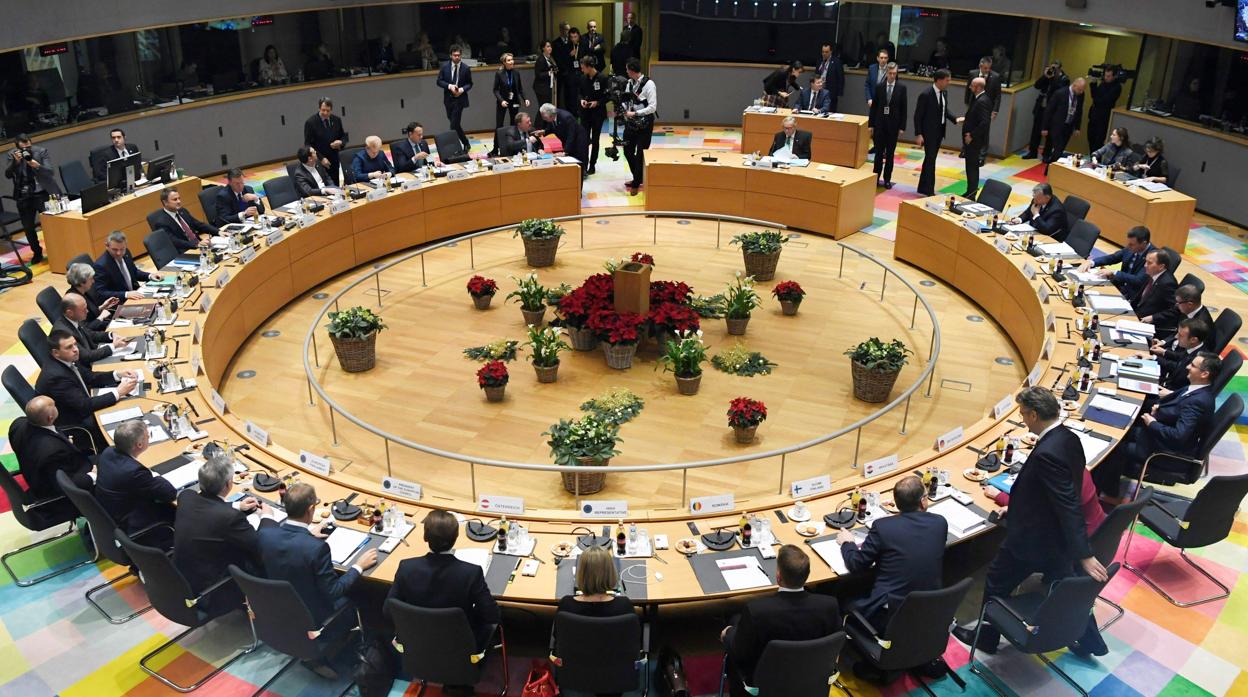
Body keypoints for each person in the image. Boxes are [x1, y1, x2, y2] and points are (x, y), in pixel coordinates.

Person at [953, 387, 1108, 657]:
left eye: (1024, 414)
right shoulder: (1068, 437)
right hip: (1055, 538)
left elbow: (1067, 503)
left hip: (1032, 541)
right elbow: (1046, 495)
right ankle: (1090, 640)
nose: (1023, 419)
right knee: (1066, 587)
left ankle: (987, 637)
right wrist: (1015, 509)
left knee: (997, 583)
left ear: (1035, 414)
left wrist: (1084, 554)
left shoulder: (1048, 452)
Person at [259, 483, 378, 678]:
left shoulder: (266, 534)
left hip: (275, 611)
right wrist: (359, 566)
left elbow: (286, 550)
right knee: (361, 598)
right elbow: (334, 591)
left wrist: (306, 535)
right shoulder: (316, 549)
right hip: (315, 619)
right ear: (311, 509)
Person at [387, 509, 501, 689]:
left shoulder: (407, 568)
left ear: (425, 537)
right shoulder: (471, 573)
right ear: (456, 537)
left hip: (418, 646)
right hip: (459, 650)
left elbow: (388, 610)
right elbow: (492, 615)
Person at [1091, 353, 1219, 498]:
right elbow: (1177, 404)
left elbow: (1179, 435)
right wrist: (1158, 409)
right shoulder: (1197, 388)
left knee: (1113, 448)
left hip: (1165, 452)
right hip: (1156, 436)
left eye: (1193, 366)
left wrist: (1152, 423)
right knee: (1116, 427)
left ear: (1204, 374)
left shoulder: (1199, 401)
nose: (1188, 367)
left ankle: (1103, 491)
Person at [720, 545, 841, 696]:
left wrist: (729, 632)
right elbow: (835, 645)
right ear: (807, 575)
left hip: (764, 684)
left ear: (778, 577)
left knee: (734, 620)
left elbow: (740, 652)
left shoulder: (757, 611)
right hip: (810, 680)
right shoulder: (829, 606)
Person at [174, 455, 279, 618]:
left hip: (183, 581)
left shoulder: (185, 497)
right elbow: (259, 544)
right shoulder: (229, 518)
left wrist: (237, 505)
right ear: (229, 484)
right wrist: (266, 516)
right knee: (270, 556)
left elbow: (209, 509)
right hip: (213, 591)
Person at [837, 476, 946, 629]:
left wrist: (847, 543)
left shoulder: (883, 527)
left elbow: (856, 564)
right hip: (928, 607)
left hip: (890, 615)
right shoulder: (940, 522)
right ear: (922, 501)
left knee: (839, 597)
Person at [553, 545, 635, 697]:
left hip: (575, 673)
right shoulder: (624, 606)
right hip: (616, 676)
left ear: (580, 574)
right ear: (611, 573)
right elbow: (633, 642)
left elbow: (558, 638)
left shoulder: (566, 605)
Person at [35, 330, 137, 447]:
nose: (75, 349)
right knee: (130, 427)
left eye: (75, 344)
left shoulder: (67, 358)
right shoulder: (55, 377)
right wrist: (118, 392)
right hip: (76, 422)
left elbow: (90, 377)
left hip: (82, 404)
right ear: (56, 352)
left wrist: (117, 374)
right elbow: (84, 405)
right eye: (69, 347)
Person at [95, 419, 176, 545]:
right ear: (139, 445)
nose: (149, 438)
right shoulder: (134, 472)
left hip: (115, 514)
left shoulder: (108, 452)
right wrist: (154, 474)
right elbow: (170, 493)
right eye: (148, 436)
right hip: (136, 524)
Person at [8, 396, 93, 505]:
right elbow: (65, 485)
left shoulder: (17, 424)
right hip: (59, 492)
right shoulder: (54, 451)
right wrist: (92, 476)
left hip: (34, 473)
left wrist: (64, 443)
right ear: (50, 417)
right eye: (54, 406)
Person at [5, 134, 60, 265]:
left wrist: (37, 165)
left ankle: (56, 250)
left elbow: (50, 172)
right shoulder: (12, 154)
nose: (26, 150)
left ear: (30, 142)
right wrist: (15, 162)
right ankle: (37, 252)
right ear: (17, 146)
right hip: (24, 195)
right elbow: (7, 174)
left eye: (28, 146)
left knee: (49, 224)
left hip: (42, 193)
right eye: (22, 147)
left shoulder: (41, 151)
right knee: (28, 227)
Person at [53, 292, 129, 368]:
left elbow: (90, 334)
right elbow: (86, 356)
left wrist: (111, 335)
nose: (87, 311)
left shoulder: (72, 319)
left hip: (94, 354)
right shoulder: (64, 333)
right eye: (84, 309)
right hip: (88, 368)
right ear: (70, 313)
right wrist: (114, 346)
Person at [913, 70, 955, 198]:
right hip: (929, 133)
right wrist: (919, 134)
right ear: (939, 80)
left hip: (939, 132)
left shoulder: (944, 93)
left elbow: (944, 110)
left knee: (930, 159)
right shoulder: (926, 94)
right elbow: (918, 116)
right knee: (931, 161)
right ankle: (929, 190)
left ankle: (923, 187)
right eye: (947, 80)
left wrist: (954, 119)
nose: (949, 82)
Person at [1081, 225, 1155, 293]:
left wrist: (1115, 272)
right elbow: (1113, 257)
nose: (1128, 247)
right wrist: (1092, 262)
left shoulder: (1153, 257)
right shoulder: (1130, 248)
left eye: (1131, 244)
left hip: (1132, 293)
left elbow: (1138, 280)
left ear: (1144, 243)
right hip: (1119, 284)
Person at [93, 231, 160, 302]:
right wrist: (126, 294)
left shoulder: (126, 252)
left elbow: (134, 272)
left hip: (136, 294)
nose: (119, 253)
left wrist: (149, 276)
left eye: (122, 249)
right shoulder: (101, 265)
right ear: (107, 246)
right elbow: (101, 293)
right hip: (120, 302)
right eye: (114, 250)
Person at [622, 59, 657, 195]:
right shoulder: (629, 83)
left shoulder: (649, 84)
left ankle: (636, 183)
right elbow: (626, 100)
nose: (626, 72)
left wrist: (636, 113)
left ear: (631, 70)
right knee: (627, 151)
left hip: (645, 122)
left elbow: (653, 107)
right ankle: (638, 176)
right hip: (631, 121)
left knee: (640, 153)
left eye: (627, 69)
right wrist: (625, 110)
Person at [869, 63, 906, 189]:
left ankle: (887, 179)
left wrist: (902, 126)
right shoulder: (879, 87)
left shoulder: (901, 88)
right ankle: (875, 177)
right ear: (887, 73)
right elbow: (874, 107)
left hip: (893, 126)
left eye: (894, 74)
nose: (892, 76)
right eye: (890, 73)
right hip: (880, 125)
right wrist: (871, 124)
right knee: (878, 153)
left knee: (890, 154)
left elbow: (904, 108)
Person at [149, 187, 216, 253]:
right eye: (175, 199)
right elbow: (174, 241)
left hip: (200, 245)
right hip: (185, 251)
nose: (179, 201)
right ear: (165, 202)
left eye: (179, 198)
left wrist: (218, 232)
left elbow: (198, 224)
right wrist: (196, 245)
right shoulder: (161, 222)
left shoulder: (182, 211)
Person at [1024, 60, 1068, 159]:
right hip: (1041, 106)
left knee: (1050, 132)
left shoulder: (1064, 79)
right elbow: (1037, 85)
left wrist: (1054, 78)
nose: (1053, 70)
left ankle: (1046, 154)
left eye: (1055, 68)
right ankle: (1032, 152)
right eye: (1052, 67)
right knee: (1036, 130)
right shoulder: (1048, 75)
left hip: (1053, 109)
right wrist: (1045, 77)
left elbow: (1059, 91)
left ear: (1060, 68)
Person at [1152, 318, 1210, 393]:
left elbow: (1178, 369)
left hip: (1171, 393)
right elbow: (1179, 357)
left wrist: (1170, 393)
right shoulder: (1192, 348)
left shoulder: (1197, 361)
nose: (1176, 337)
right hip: (1167, 384)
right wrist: (1162, 352)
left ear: (1193, 340)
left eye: (1180, 335)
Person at [962, 57, 1001, 166]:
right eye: (985, 68)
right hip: (973, 105)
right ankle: (966, 149)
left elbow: (998, 95)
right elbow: (968, 89)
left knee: (984, 129)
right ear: (980, 66)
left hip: (986, 107)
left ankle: (982, 156)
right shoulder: (972, 73)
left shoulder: (996, 77)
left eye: (989, 68)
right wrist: (967, 102)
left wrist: (995, 110)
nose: (987, 70)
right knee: (969, 126)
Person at [1145, 284, 1214, 344]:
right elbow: (1178, 333)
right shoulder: (1186, 307)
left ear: (1189, 304)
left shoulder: (1202, 324)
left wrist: (1165, 351)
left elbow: (1191, 351)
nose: (1176, 305)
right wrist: (1163, 342)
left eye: (1178, 302)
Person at [1042, 77, 1086, 168]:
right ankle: (1050, 168)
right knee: (1058, 148)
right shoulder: (1060, 93)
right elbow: (1049, 110)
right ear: (1074, 85)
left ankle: (1052, 167)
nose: (1081, 92)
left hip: (1068, 125)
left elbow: (1079, 111)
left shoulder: (1081, 95)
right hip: (1057, 125)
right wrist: (1044, 127)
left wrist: (1077, 127)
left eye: (1082, 90)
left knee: (1061, 149)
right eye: (1079, 89)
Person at [437, 46, 474, 152]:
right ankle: (466, 142)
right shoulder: (444, 67)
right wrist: (450, 86)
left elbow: (470, 84)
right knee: (455, 124)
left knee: (453, 125)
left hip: (460, 99)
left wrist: (461, 90)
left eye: (459, 55)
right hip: (448, 98)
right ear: (450, 56)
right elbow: (439, 81)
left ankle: (454, 147)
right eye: (455, 55)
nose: (457, 57)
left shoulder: (466, 68)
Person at [961, 76, 992, 198]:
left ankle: (972, 193)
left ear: (978, 87)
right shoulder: (978, 98)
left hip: (974, 140)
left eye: (972, 86)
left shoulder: (983, 101)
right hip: (971, 139)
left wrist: (972, 135)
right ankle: (970, 191)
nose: (969, 87)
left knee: (972, 167)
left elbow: (985, 122)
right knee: (970, 166)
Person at [303, 98, 347, 185]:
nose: (325, 113)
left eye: (328, 110)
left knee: (336, 185)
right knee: (324, 186)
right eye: (323, 110)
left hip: (334, 159)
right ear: (319, 108)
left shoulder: (336, 120)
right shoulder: (311, 122)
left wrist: (341, 142)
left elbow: (343, 136)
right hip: (319, 160)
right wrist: (321, 158)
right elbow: (307, 144)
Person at [540, 102, 589, 177]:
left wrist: (565, 152)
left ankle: (582, 173)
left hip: (578, 139)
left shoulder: (566, 117)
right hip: (567, 139)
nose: (543, 118)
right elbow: (552, 128)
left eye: (544, 117)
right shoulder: (552, 117)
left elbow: (571, 135)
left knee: (578, 158)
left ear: (550, 115)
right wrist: (544, 132)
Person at [578, 56, 608, 174]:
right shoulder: (582, 78)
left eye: (583, 68)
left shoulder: (602, 78)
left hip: (597, 113)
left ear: (590, 67)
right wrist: (581, 100)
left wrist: (598, 103)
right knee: (584, 139)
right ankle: (584, 164)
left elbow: (607, 96)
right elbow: (579, 93)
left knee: (595, 139)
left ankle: (592, 164)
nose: (582, 70)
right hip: (585, 112)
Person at [1130, 248, 1178, 320]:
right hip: (1136, 312)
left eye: (1149, 263)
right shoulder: (1152, 273)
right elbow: (1141, 297)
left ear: (1161, 266)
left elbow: (1175, 310)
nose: (1145, 265)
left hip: (1147, 320)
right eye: (1145, 261)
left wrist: (1153, 318)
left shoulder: (1168, 284)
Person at [492, 53, 531, 141]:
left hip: (514, 101)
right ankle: (495, 147)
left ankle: (513, 144)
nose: (511, 62)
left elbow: (520, 89)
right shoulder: (499, 73)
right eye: (509, 60)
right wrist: (501, 101)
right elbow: (495, 90)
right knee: (499, 125)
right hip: (503, 102)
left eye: (512, 59)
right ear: (504, 63)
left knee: (514, 124)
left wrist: (525, 99)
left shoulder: (516, 73)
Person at [1086, 66, 1121, 151]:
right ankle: (1092, 157)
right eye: (1105, 75)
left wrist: (1097, 98)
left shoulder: (1117, 87)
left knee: (1098, 143)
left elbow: (1104, 101)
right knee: (1090, 139)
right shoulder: (1102, 83)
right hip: (1094, 116)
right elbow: (1094, 96)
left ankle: (1095, 160)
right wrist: (1093, 83)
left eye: (1108, 76)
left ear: (1114, 76)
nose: (1106, 78)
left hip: (1103, 118)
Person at [813, 43, 844, 113]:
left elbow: (840, 78)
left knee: (830, 111)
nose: (824, 54)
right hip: (819, 90)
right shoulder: (819, 61)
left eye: (826, 52)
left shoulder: (836, 62)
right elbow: (816, 75)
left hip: (831, 91)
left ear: (831, 52)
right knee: (818, 110)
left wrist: (839, 92)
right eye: (823, 52)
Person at [562, 27, 586, 116]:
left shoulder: (584, 44)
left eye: (575, 37)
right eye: (571, 37)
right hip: (571, 74)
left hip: (582, 73)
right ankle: (572, 114)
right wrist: (570, 55)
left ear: (578, 36)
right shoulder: (567, 46)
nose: (573, 39)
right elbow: (563, 61)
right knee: (571, 96)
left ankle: (581, 113)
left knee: (581, 93)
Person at [534, 40, 558, 107]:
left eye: (550, 46)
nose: (550, 48)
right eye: (548, 46)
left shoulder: (550, 57)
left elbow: (554, 68)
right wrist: (549, 73)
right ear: (543, 48)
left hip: (548, 86)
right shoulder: (540, 60)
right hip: (541, 87)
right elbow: (538, 74)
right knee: (543, 108)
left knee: (547, 108)